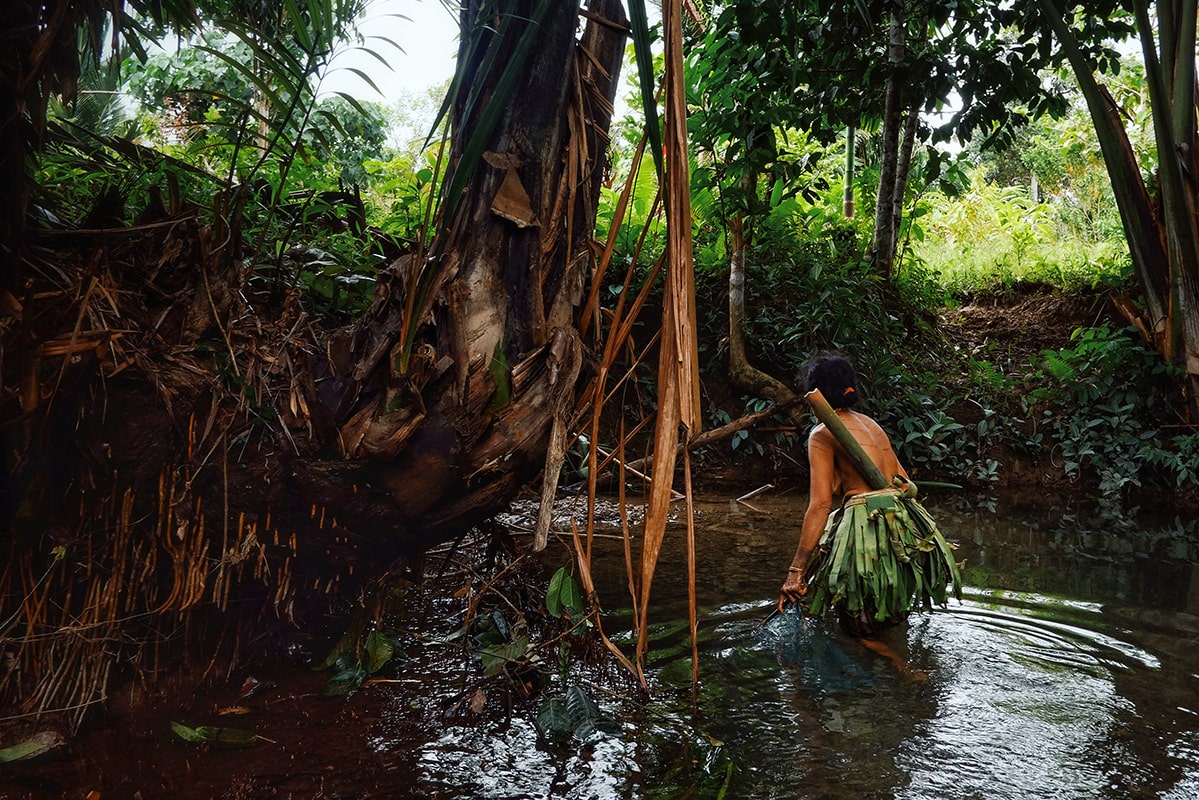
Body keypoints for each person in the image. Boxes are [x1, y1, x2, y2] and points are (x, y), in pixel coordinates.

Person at [778, 354, 959, 641]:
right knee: (889, 620)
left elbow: (821, 504)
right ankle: (901, 671)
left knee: (859, 632)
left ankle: (904, 671)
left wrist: (796, 571)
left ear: (816, 396)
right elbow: (904, 483)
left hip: (866, 535)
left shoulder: (821, 434)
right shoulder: (872, 426)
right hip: (901, 532)